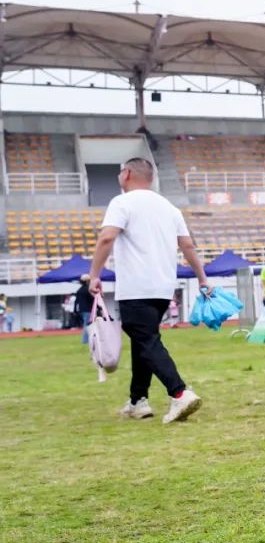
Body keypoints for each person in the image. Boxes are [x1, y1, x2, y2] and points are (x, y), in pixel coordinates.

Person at [89, 157, 210, 424]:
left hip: (136, 287)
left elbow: (107, 237)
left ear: (127, 174)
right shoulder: (169, 207)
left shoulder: (121, 203)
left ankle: (179, 392)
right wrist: (202, 278)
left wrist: (95, 274)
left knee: (146, 341)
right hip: (163, 288)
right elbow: (188, 246)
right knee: (143, 340)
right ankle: (137, 400)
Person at [74, 274, 94, 343]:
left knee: (86, 324)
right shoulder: (88, 290)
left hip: (81, 310)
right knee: (87, 325)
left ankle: (88, 339)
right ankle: (85, 340)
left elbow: (76, 301)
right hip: (88, 309)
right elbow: (92, 300)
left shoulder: (79, 290)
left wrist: (75, 310)